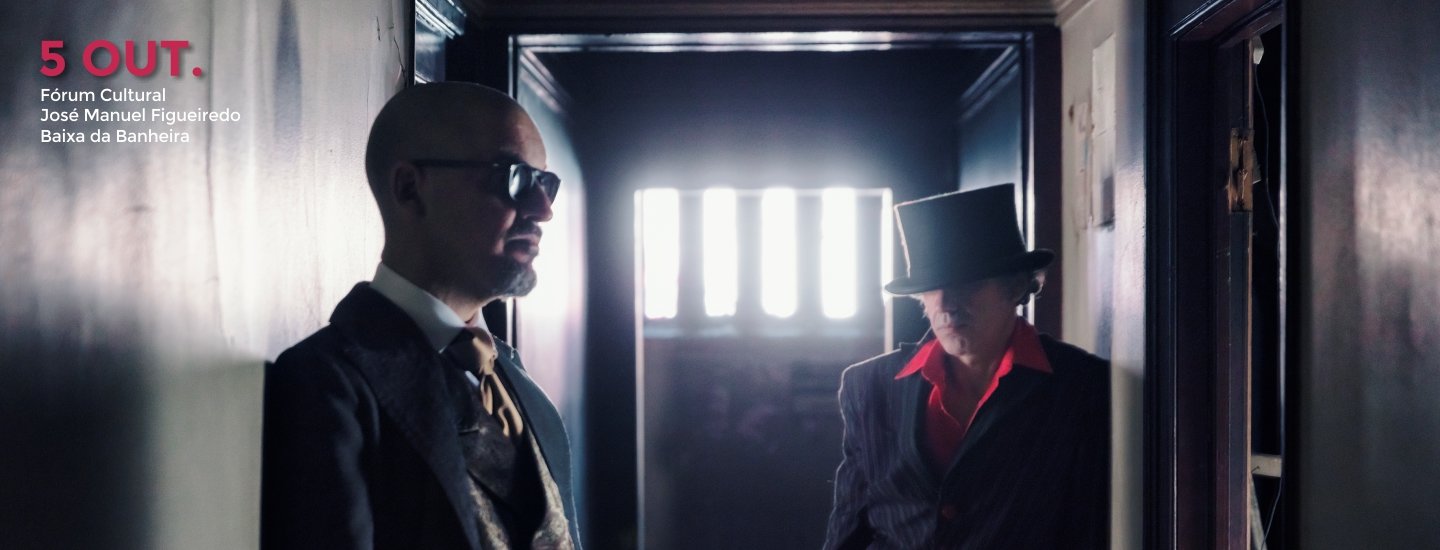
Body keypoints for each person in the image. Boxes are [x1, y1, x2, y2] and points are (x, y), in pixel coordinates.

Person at [262, 83, 579, 550]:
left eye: (544, 183)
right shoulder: (325, 383)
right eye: (514, 177)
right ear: (410, 189)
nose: (543, 210)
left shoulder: (519, 383)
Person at [824, 184, 1109, 549]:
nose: (946, 304)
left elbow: (1087, 527)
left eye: (966, 284)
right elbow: (849, 525)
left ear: (1015, 287)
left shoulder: (1079, 385)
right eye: (932, 288)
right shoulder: (870, 386)